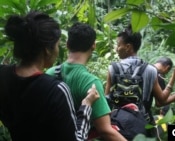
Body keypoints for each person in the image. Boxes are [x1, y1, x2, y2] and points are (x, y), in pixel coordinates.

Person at [0, 11, 100, 141]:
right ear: (47, 49)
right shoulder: (56, 90)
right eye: (58, 45)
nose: (58, 50)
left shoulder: (3, 75)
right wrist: (86, 105)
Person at [46, 22, 127, 141]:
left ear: (67, 44)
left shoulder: (49, 74)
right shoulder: (90, 83)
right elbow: (105, 130)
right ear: (93, 45)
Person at [105, 24, 175, 137]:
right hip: (143, 126)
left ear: (128, 47)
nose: (116, 49)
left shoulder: (113, 68)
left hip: (118, 127)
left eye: (118, 45)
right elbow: (162, 101)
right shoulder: (150, 70)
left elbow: (106, 102)